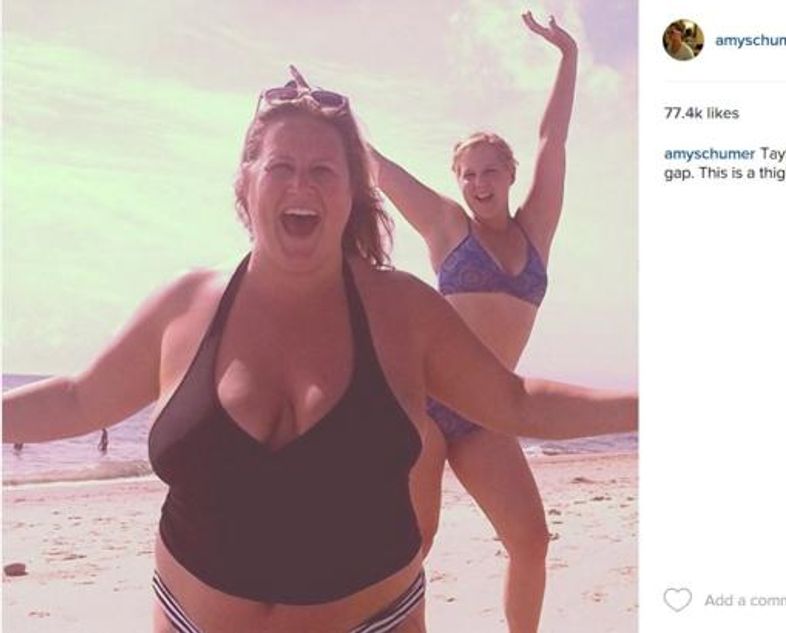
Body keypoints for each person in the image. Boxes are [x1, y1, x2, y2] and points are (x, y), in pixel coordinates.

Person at [2, 66, 636, 633]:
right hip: (189, 616)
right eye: (280, 166)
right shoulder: (184, 305)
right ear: (246, 181)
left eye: (324, 170)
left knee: (523, 539)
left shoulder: (403, 310)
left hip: (374, 620)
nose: (300, 184)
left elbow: (517, 403)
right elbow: (79, 398)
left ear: (353, 191)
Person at [369, 12, 579, 631]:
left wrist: (568, 57)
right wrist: (327, 114)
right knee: (413, 546)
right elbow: (379, 169)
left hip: (488, 413)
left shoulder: (536, 231)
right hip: (426, 407)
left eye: (490, 171)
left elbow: (553, 141)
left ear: (510, 175)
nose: (479, 183)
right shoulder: (448, 228)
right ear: (457, 183)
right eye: (468, 174)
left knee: (531, 541)